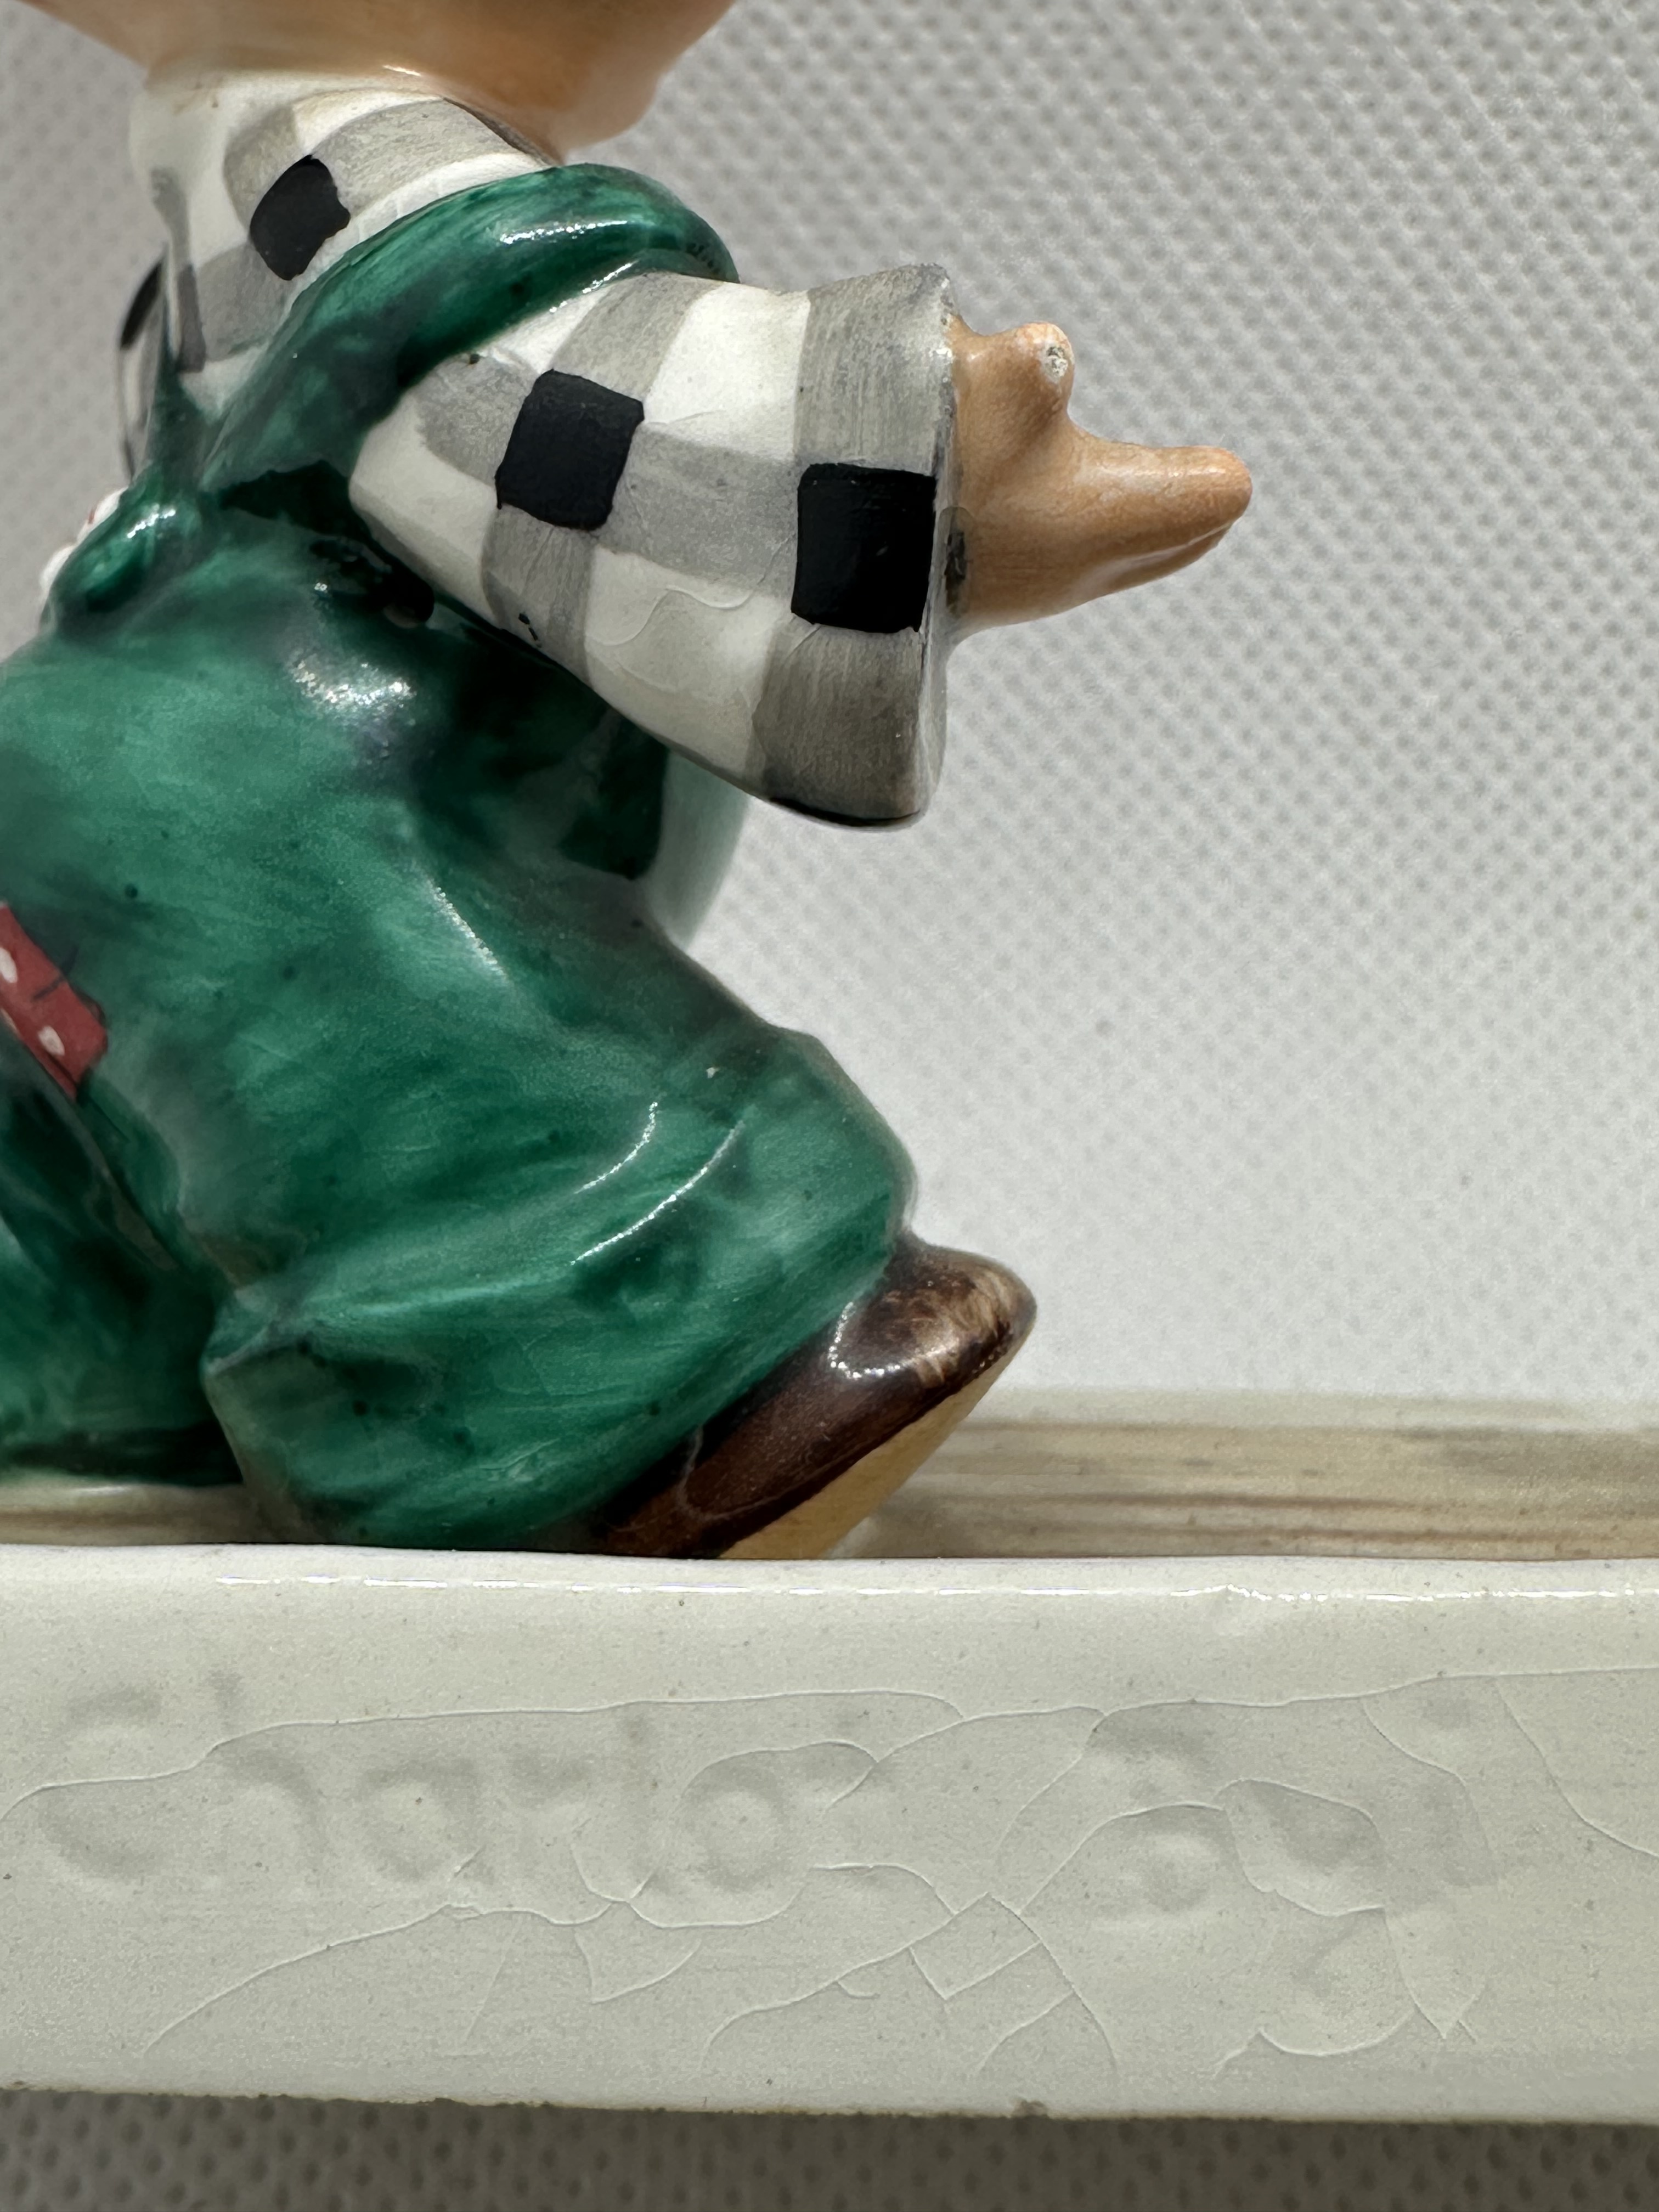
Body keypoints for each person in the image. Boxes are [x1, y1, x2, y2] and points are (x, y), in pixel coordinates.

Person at [0, 0, 1251, 1553]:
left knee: (169, 1070)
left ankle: (143, 1335)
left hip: (253, 790)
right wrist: (932, 485)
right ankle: (594, 1352)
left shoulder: (282, 193)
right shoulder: (366, 198)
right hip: (283, 790)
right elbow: (546, 410)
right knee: (370, 1038)